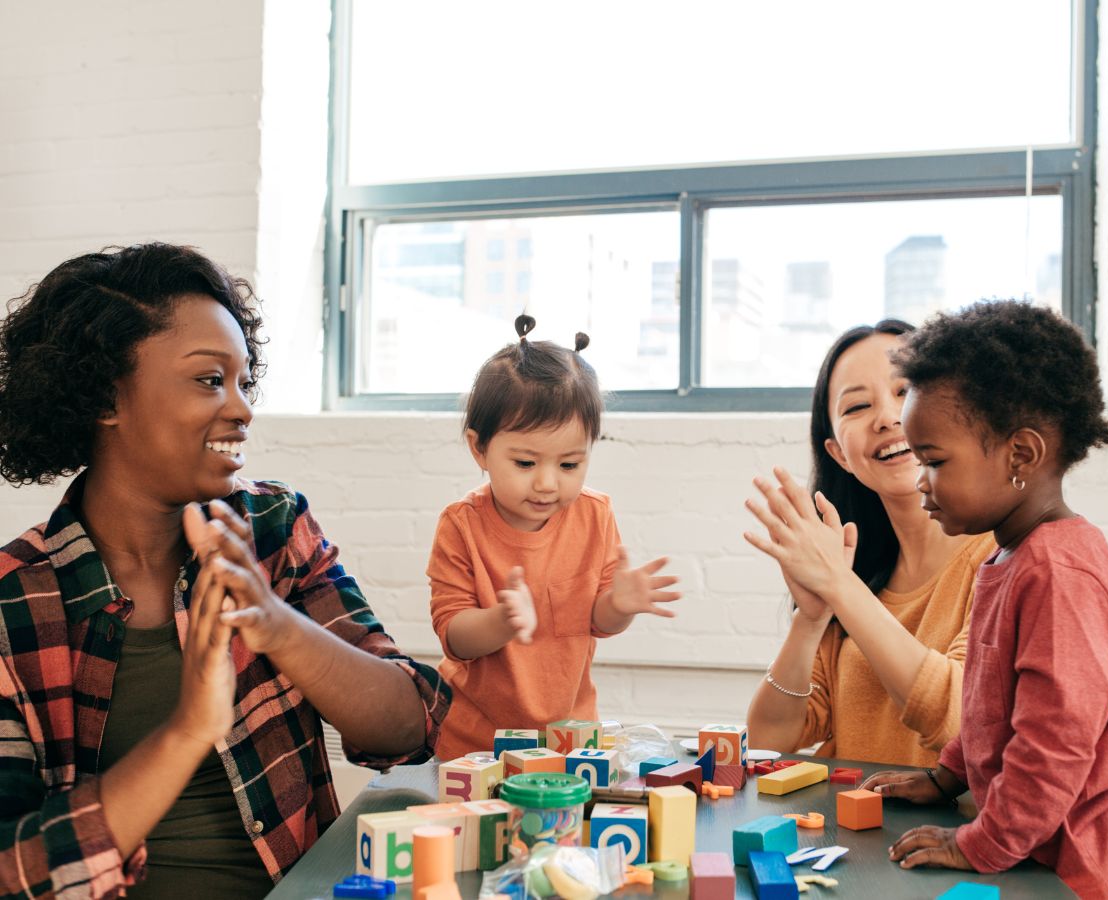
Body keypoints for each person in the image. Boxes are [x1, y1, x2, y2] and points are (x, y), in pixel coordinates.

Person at [0, 244, 450, 898]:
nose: (241, 409)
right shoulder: (15, 603)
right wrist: (188, 730)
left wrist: (277, 624)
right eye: (210, 380)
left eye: (244, 381)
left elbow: (411, 726)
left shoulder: (273, 527)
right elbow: (12, 870)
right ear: (105, 397)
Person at [855, 300, 1108, 899]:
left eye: (934, 461)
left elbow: (1054, 745)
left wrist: (979, 843)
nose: (920, 481)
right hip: (1060, 842)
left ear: (1021, 455)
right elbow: (994, 703)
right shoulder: (1010, 555)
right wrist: (948, 775)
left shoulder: (1058, 572)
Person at [427, 315, 681, 761]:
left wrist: (619, 606)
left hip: (572, 741)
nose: (548, 484)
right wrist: (501, 622)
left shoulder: (595, 515)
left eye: (569, 465)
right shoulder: (461, 525)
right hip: (475, 746)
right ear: (479, 449)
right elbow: (453, 635)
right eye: (525, 463)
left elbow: (598, 622)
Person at [745, 321, 994, 767]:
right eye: (858, 406)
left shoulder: (999, 559)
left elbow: (960, 722)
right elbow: (768, 740)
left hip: (949, 838)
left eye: (905, 391)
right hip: (853, 835)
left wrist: (839, 585)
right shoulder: (857, 573)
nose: (886, 417)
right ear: (839, 454)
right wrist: (812, 618)